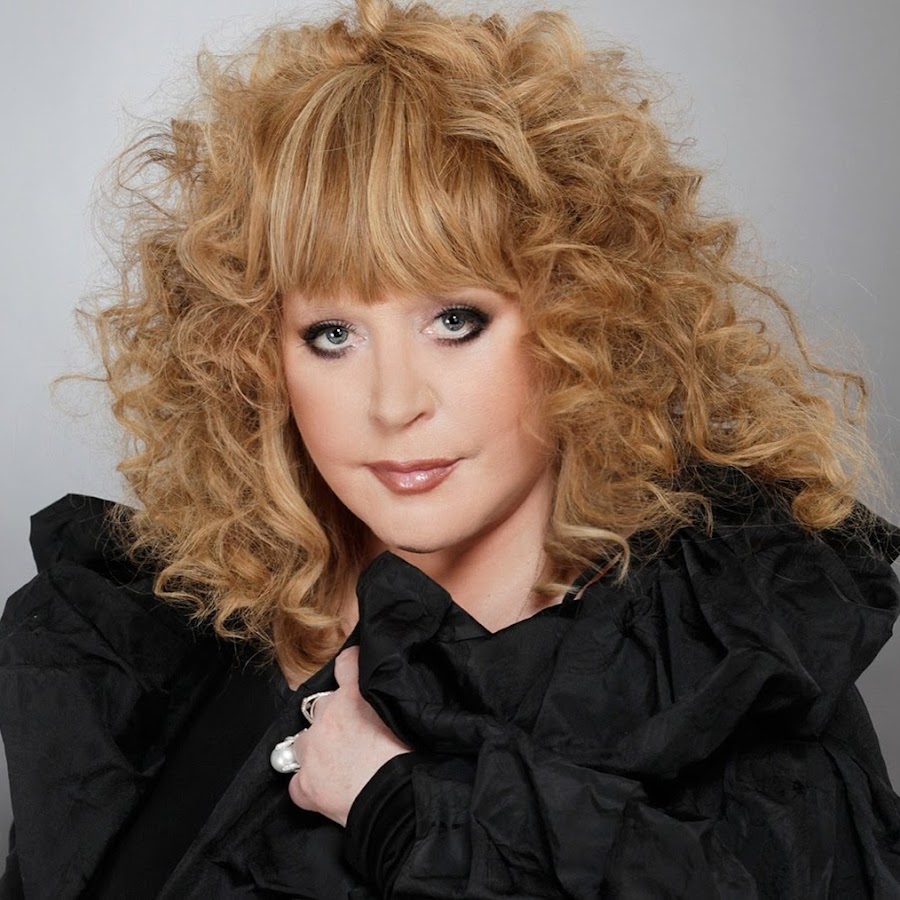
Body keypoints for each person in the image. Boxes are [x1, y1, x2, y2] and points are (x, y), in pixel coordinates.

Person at [2, 0, 899, 896]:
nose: (395, 403)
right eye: (332, 335)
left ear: (582, 316)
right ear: (253, 355)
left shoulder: (708, 673)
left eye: (456, 320)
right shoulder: (162, 655)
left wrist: (404, 811)